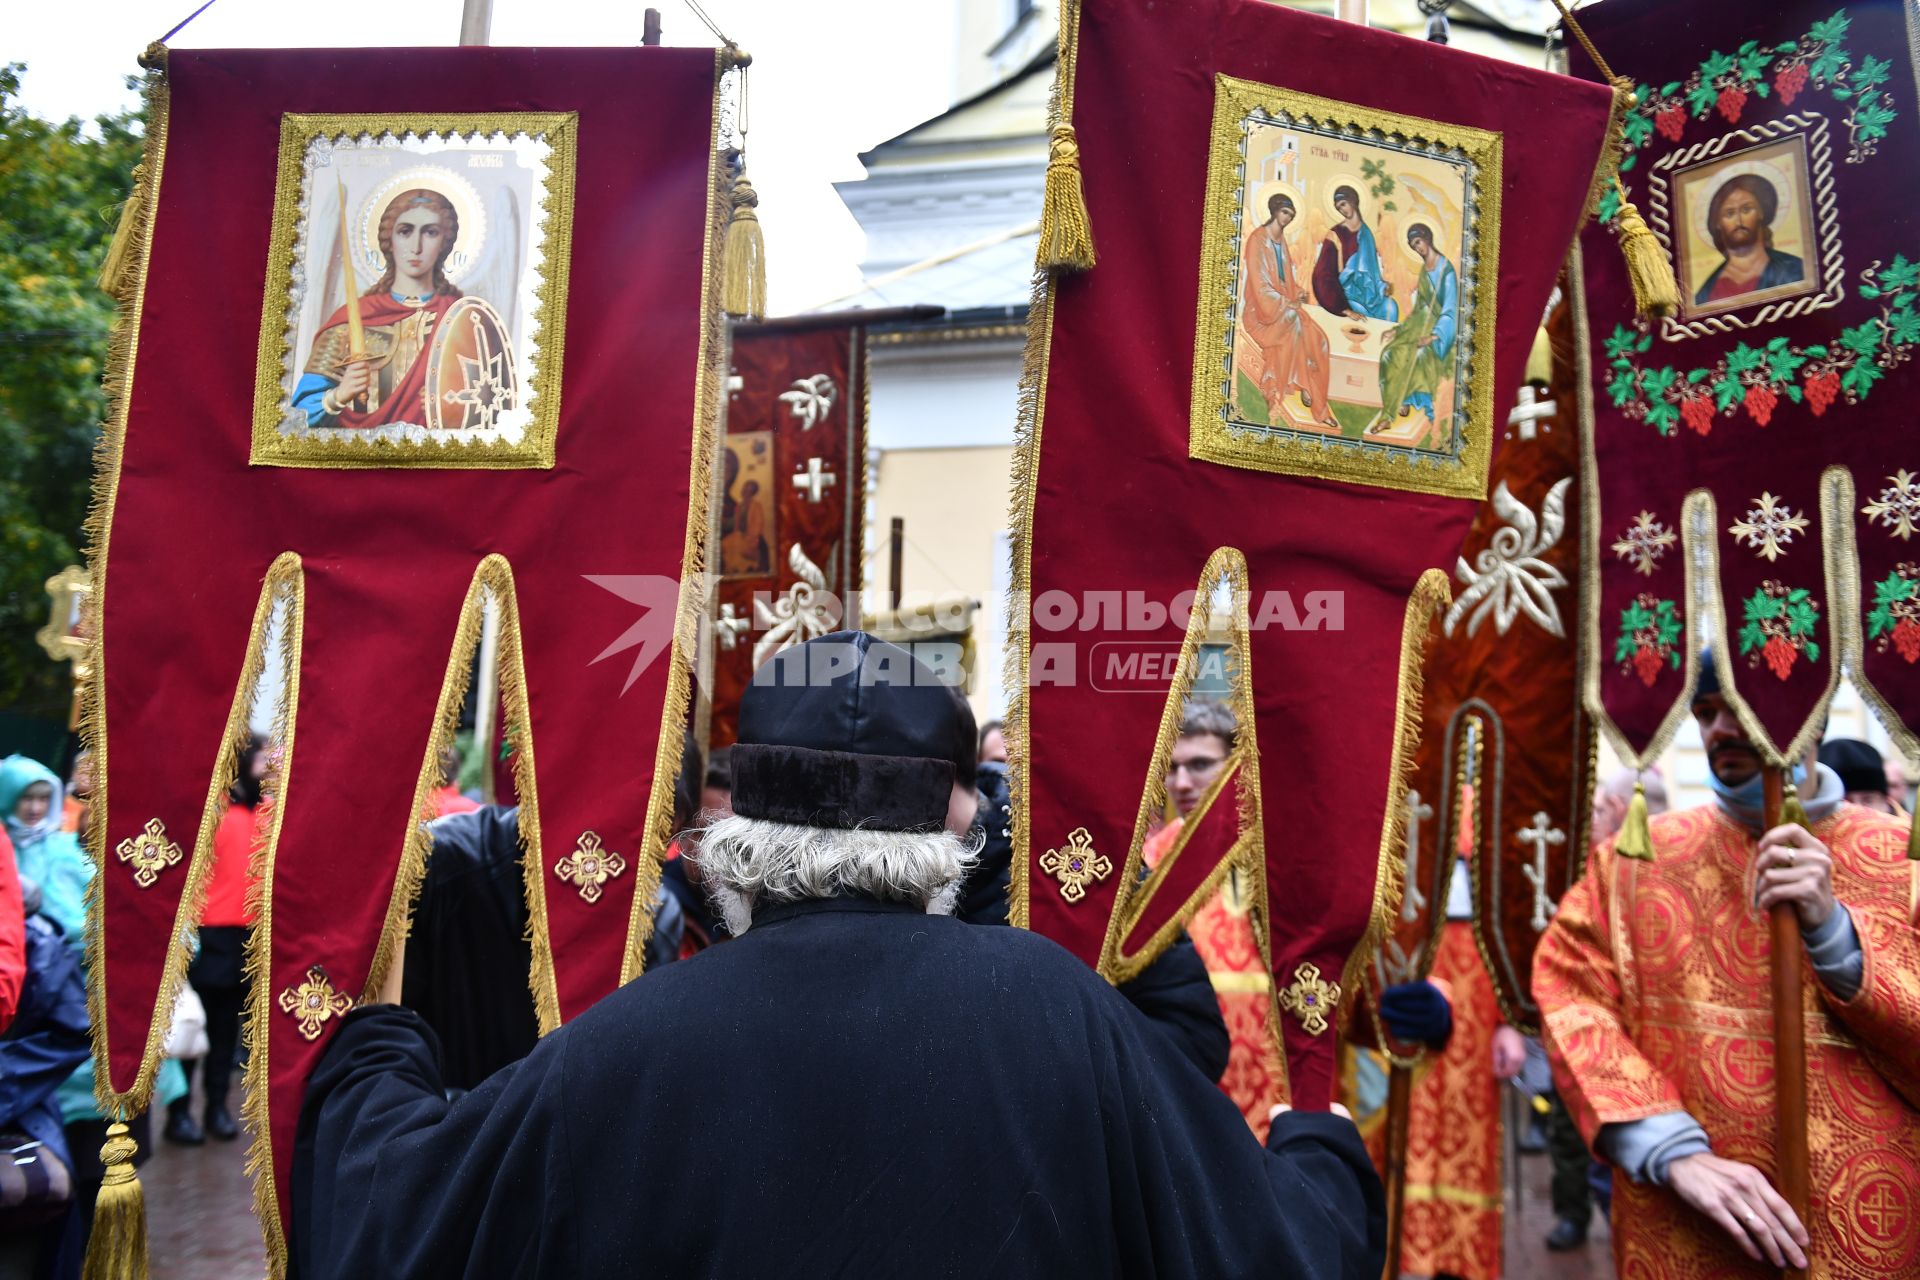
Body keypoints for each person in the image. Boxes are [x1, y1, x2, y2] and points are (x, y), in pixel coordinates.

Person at [294, 633, 1385, 1278]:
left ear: (736, 825)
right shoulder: (1060, 1008)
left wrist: (375, 1049)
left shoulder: (627, 1037)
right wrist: (1321, 1149)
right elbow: (1267, 1254)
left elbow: (395, 1225)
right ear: (956, 821)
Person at [1535, 658, 1920, 1276]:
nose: (1719, 730)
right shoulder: (1634, 863)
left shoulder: (1902, 861)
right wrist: (1667, 1147)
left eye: (1741, 706)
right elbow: (1570, 995)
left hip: (1862, 1230)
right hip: (1689, 1229)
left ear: (1814, 710)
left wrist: (1836, 933)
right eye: (1707, 712)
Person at [1141, 699, 1291, 1135]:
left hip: (1275, 1071)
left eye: (1200, 765)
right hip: (1192, 1070)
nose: (1181, 782)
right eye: (1172, 768)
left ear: (1236, 767)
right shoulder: (1148, 863)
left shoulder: (1279, 857)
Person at [292, 188, 467, 429]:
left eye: (430, 232)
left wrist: (455, 407)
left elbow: (491, 402)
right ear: (390, 240)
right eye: (405, 231)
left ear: (444, 243)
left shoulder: (461, 319)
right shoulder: (351, 322)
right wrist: (338, 395)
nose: (416, 246)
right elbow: (298, 415)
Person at [168, 736, 266, 1145]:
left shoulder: (265, 811)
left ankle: (215, 1109)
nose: (268, 764)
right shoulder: (213, 810)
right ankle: (178, 1114)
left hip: (247, 933)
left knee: (226, 1030)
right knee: (191, 1025)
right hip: (206, 932)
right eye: (262, 757)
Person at [1241, 193, 1338, 429]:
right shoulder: (1257, 240)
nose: (1287, 218)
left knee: (1320, 339)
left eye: (1291, 215)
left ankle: (1316, 400)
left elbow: (1285, 281)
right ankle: (1303, 386)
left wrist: (1298, 292)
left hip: (1283, 307)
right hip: (1260, 314)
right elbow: (1260, 286)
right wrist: (1287, 302)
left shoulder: (1281, 241)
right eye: (1285, 213)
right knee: (1294, 321)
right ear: (1275, 210)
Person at [1369, 223, 1457, 441]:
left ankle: (1392, 413)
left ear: (1427, 238)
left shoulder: (1446, 269)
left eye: (1418, 242)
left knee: (1417, 355)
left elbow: (1451, 309)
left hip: (1438, 329)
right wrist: (1399, 331)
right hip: (1419, 323)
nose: (1417, 248)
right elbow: (1420, 308)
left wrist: (1435, 336)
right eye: (1413, 245)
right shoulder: (1424, 270)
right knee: (1389, 354)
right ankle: (1397, 403)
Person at [1692, 173, 1805, 307]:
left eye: (1746, 209)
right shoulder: (1705, 293)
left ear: (1761, 213)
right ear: (1717, 223)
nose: (1739, 221)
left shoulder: (1793, 269)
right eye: (1729, 213)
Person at [1312, 185, 1398, 323]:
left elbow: (1372, 273)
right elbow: (1322, 275)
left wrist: (1383, 287)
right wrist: (1343, 308)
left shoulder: (1366, 234)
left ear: (1353, 201)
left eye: (1343, 204)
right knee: (1363, 315)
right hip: (1343, 295)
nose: (1342, 210)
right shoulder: (1335, 235)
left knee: (1391, 308)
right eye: (1339, 208)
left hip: (1367, 295)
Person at [1819, 738, 1899, 815]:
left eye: (1868, 800)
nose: (1858, 810)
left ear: (1887, 801)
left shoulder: (1907, 827)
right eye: (1844, 802)